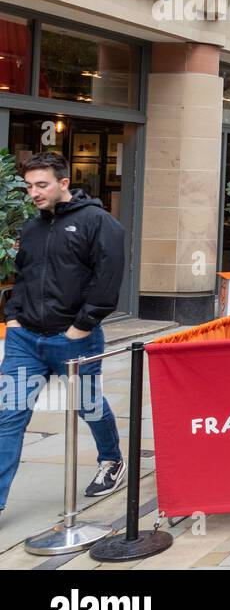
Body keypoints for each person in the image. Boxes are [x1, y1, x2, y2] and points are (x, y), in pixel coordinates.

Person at [0, 152, 128, 518]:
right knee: (10, 414)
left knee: (88, 406)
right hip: (26, 340)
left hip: (74, 339)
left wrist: (82, 326)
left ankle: (111, 461)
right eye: (29, 186)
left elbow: (108, 279)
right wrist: (13, 318)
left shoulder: (98, 222)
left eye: (42, 185)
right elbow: (23, 277)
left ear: (63, 184)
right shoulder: (33, 226)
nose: (34, 193)